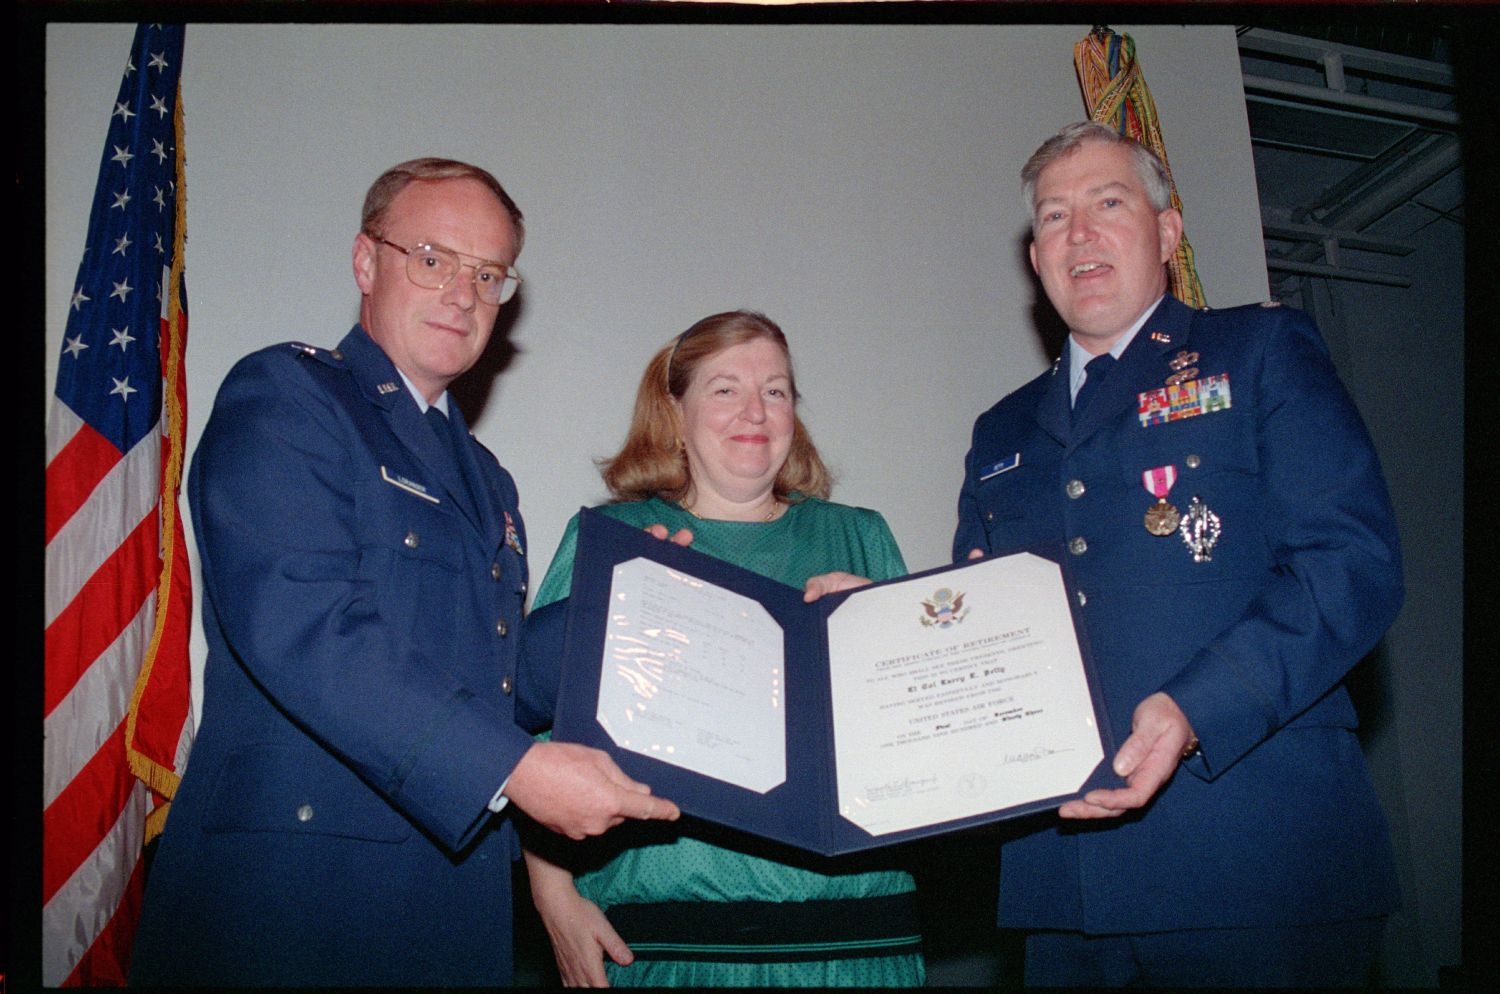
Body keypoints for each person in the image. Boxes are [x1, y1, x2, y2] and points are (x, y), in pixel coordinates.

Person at [129, 158, 678, 987]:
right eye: (433, 258)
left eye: (489, 274)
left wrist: (627, 605)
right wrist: (512, 768)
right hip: (296, 909)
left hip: (450, 907)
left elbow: (497, 679)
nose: (464, 292)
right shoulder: (287, 395)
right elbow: (303, 628)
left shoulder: (487, 478)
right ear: (366, 262)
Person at [953, 123, 1403, 986]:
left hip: (1254, 861)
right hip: (1063, 892)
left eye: (1107, 203)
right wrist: (873, 632)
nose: (1077, 232)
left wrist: (1198, 706)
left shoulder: (1259, 351)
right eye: (1054, 216)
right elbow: (983, 629)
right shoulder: (1001, 430)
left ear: (1167, 232)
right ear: (1037, 257)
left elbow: (1351, 564)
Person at [523, 310, 925, 987]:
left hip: (857, 947)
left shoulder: (862, 538)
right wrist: (554, 896)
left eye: (776, 390)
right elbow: (537, 737)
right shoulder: (614, 539)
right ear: (675, 413)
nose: (756, 410)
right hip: (667, 951)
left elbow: (924, 736)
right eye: (725, 389)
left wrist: (891, 640)